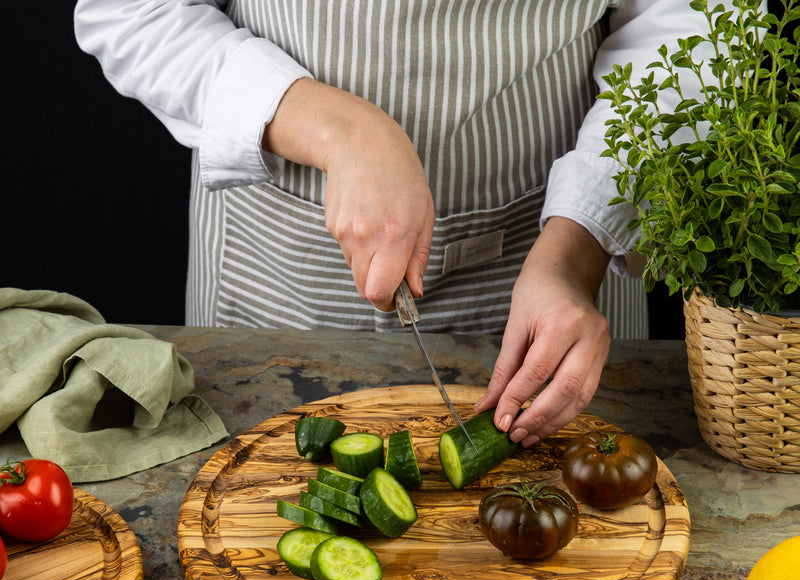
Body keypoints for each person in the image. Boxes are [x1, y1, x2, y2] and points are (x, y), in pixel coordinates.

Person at [73, 0, 710, 446]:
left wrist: (578, 249)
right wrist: (335, 128)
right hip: (277, 269)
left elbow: (687, 26)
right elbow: (133, 10)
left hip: (565, 249)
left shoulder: (576, 252)